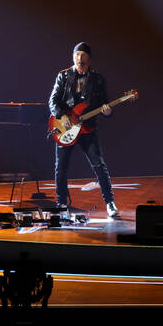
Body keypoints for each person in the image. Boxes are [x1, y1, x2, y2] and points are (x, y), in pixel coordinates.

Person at [49, 42, 120, 219]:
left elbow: (105, 103)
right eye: (77, 55)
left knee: (99, 166)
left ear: (89, 58)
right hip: (66, 128)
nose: (79, 59)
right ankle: (61, 203)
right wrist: (62, 115)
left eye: (83, 56)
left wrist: (108, 112)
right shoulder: (63, 77)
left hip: (87, 128)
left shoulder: (97, 79)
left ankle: (110, 202)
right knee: (61, 168)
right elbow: (53, 101)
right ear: (73, 57)